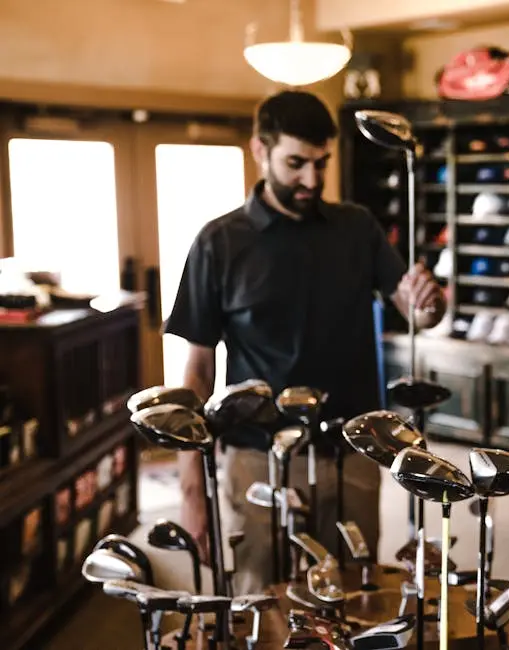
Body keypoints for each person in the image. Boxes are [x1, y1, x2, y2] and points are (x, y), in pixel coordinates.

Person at [163, 90, 445, 594]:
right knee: (262, 598)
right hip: (257, 453)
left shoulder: (357, 227)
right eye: (296, 164)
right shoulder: (218, 243)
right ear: (259, 150)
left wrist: (429, 301)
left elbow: (417, 312)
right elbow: (197, 375)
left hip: (354, 448)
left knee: (356, 593)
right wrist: (192, 492)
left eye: (321, 164)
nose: (312, 180)